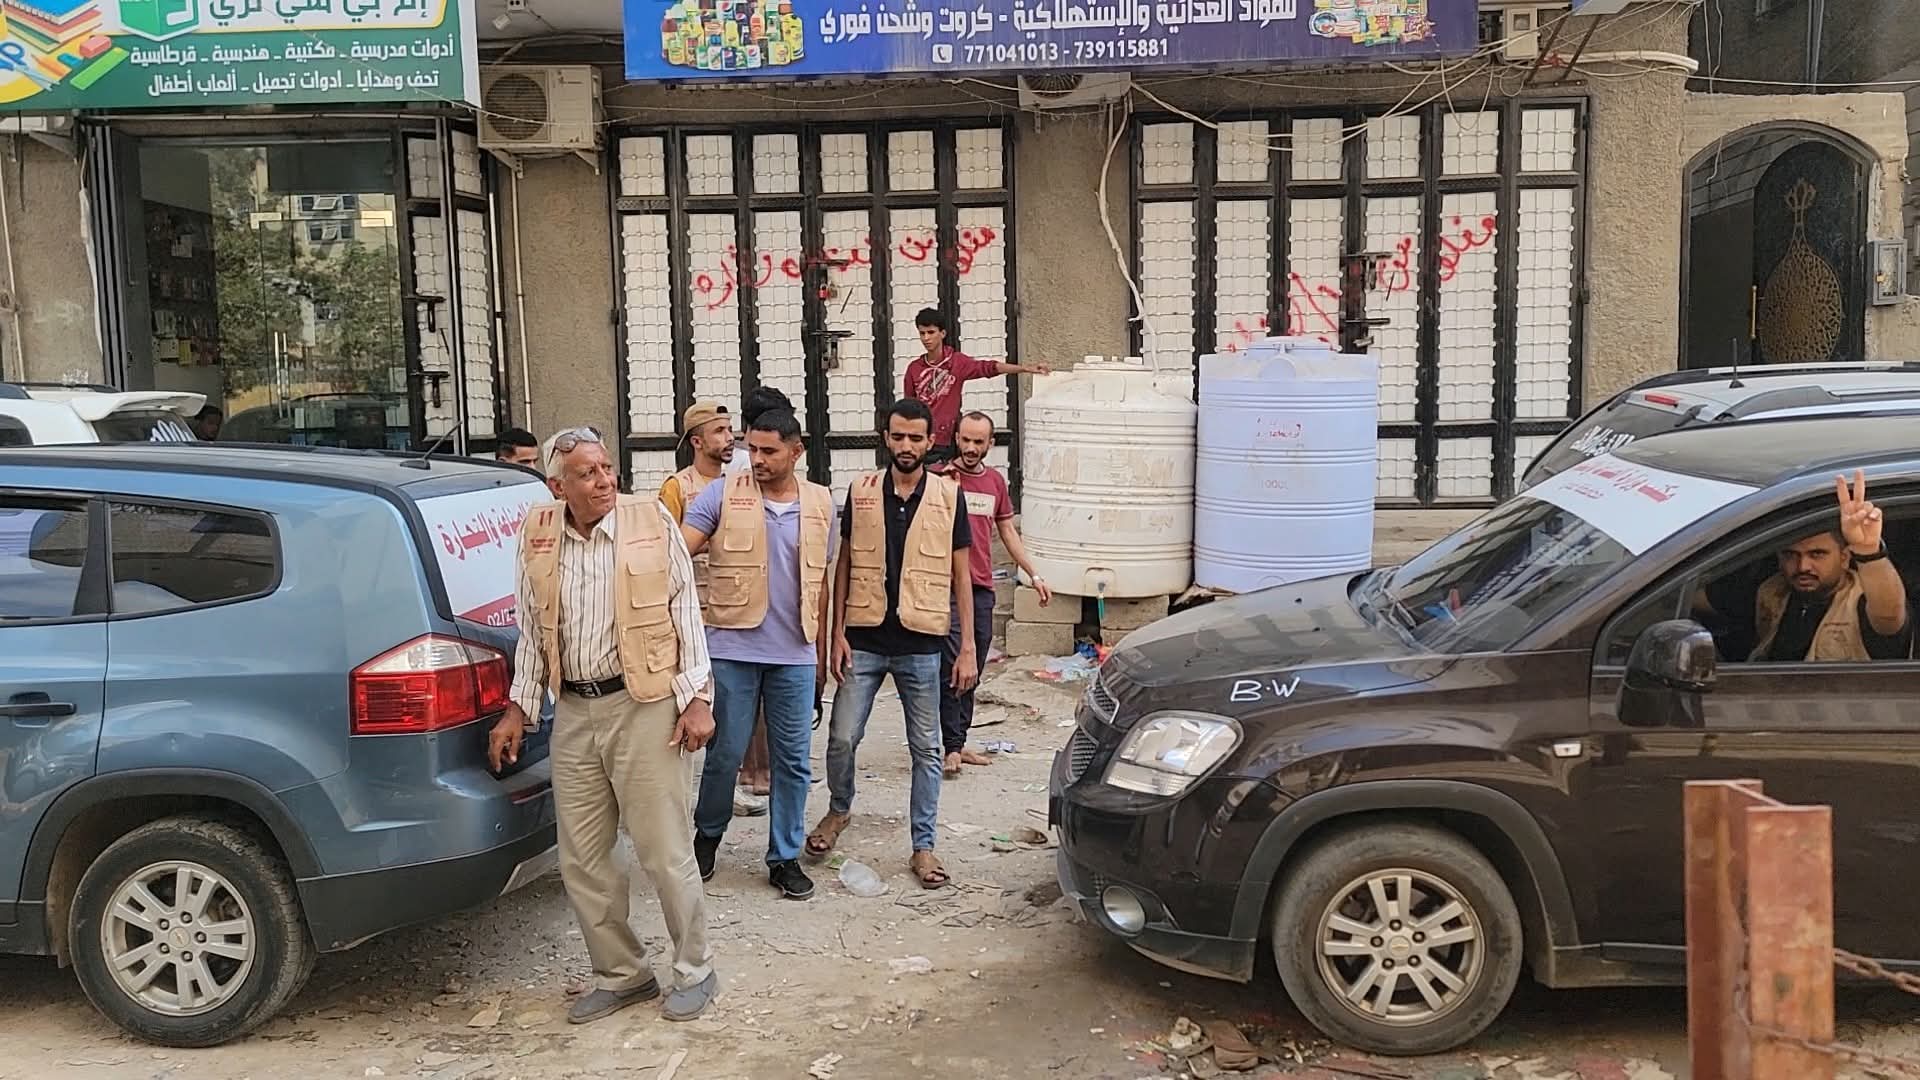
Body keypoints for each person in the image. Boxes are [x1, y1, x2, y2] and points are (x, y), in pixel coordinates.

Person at [487, 426, 720, 1025]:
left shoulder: (651, 520)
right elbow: (534, 628)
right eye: (587, 474)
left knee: (664, 849)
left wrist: (697, 697)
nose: (604, 481)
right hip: (574, 710)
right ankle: (623, 975)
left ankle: (695, 970)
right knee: (584, 857)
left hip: (645, 705)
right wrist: (518, 707)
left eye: (607, 468)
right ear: (557, 486)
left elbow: (685, 611)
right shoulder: (538, 531)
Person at [806, 398, 976, 890]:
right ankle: (839, 809)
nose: (906, 445)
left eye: (915, 438)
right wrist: (837, 633)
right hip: (863, 637)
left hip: (922, 643)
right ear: (886, 437)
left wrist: (966, 646)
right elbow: (843, 564)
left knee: (927, 748)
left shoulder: (949, 495)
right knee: (842, 737)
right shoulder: (861, 491)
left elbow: (961, 574)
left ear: (930, 441)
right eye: (897, 436)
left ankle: (924, 845)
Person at [680, 407, 835, 901]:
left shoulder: (821, 502)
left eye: (769, 450)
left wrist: (822, 652)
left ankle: (784, 857)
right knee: (725, 754)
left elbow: (822, 582)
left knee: (793, 761)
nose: (757, 459)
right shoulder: (722, 493)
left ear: (797, 451)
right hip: (732, 647)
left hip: (795, 653)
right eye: (752, 449)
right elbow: (679, 551)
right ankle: (707, 837)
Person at [935, 411, 1051, 777]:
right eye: (966, 440)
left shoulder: (995, 482)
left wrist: (1033, 573)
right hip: (947, 588)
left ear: (990, 444)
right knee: (955, 665)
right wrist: (947, 490)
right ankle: (951, 746)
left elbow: (1007, 532)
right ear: (956, 438)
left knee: (974, 667)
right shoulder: (939, 479)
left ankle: (958, 740)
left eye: (978, 442)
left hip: (982, 587)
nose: (971, 448)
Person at [1698, 470, 1912, 661]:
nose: (1803, 566)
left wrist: (1868, 550)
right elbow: (1692, 594)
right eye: (1790, 555)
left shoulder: (1862, 601)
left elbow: (1890, 616)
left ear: (1844, 557)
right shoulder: (1771, 592)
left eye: (1817, 554)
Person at [901, 308, 1050, 463]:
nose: (926, 338)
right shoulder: (914, 369)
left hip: (949, 441)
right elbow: (908, 408)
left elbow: (989, 367)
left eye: (931, 332)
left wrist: (1025, 368)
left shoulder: (957, 362)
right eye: (922, 333)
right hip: (921, 440)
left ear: (942, 333)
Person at [659, 402, 735, 522]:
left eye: (730, 430)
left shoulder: (736, 483)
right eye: (719, 431)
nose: (730, 438)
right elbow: (667, 532)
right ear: (697, 442)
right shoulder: (677, 488)